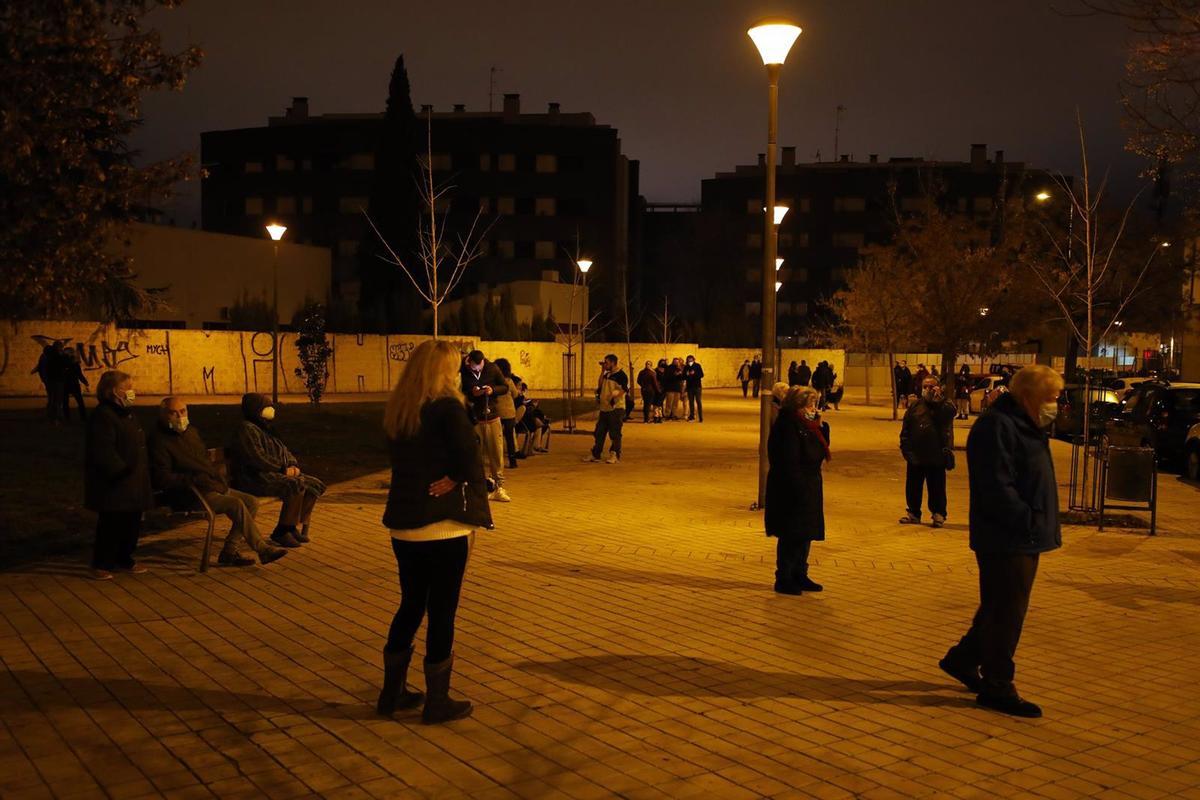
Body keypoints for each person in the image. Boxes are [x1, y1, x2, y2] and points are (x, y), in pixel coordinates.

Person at [939, 364, 1064, 719]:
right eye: (1050, 398)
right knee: (1006, 613)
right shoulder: (998, 426)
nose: (1056, 405)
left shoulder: (1027, 424)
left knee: (998, 607)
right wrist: (1027, 520)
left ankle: (962, 659)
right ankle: (997, 685)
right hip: (1007, 537)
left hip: (1023, 534)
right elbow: (997, 486)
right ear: (1028, 396)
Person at [379, 339, 492, 725]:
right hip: (441, 527)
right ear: (444, 370)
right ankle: (437, 700)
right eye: (455, 366)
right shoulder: (447, 408)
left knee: (410, 604)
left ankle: (390, 693)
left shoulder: (401, 409)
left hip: (404, 524)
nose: (460, 371)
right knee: (442, 610)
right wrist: (457, 477)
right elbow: (471, 456)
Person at [150, 398, 287, 567]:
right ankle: (262, 550)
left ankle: (229, 551)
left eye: (183, 411)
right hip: (189, 493)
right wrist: (194, 479)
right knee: (236, 504)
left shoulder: (191, 432)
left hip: (209, 486)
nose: (180, 416)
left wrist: (216, 479)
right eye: (173, 413)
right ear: (163, 415)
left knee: (251, 502)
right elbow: (162, 478)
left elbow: (204, 462)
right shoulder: (159, 441)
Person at [232, 393, 327, 547]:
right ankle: (282, 531)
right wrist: (283, 469)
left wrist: (292, 464)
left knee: (315, 485)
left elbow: (284, 450)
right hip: (255, 477)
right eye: (266, 407)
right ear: (255, 409)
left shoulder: (266, 428)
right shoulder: (247, 429)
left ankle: (291, 526)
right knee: (295, 484)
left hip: (272, 473)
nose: (271, 409)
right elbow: (258, 458)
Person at [85, 370, 153, 580]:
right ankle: (102, 563)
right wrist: (121, 471)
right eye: (128, 387)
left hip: (133, 479)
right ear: (115, 391)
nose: (132, 392)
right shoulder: (104, 415)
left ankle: (124, 558)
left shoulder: (127, 412)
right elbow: (103, 449)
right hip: (115, 482)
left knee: (131, 523)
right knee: (111, 523)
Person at [765, 386, 830, 595]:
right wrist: (797, 485)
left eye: (815, 403)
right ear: (798, 405)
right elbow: (789, 458)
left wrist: (821, 427)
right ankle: (784, 577)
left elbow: (819, 451)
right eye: (810, 403)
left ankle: (800, 573)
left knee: (806, 533)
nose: (813, 408)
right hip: (791, 487)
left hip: (809, 484)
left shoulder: (808, 424)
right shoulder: (787, 424)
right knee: (791, 533)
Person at [899, 377, 956, 528]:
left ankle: (938, 514)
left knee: (937, 487)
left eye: (931, 386)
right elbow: (905, 430)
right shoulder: (915, 406)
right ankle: (913, 513)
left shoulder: (944, 405)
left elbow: (951, 413)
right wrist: (907, 451)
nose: (928, 389)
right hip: (916, 456)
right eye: (925, 386)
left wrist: (940, 400)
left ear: (938, 388)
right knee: (913, 486)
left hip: (936, 455)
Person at [460, 350, 510, 502]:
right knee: (476, 455)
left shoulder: (492, 368)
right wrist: (472, 392)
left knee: (496, 453)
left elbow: (505, 387)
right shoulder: (464, 370)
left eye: (478, 367)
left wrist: (492, 390)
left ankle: (499, 486)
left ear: (482, 362)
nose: (475, 370)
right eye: (473, 368)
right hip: (476, 418)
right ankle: (478, 487)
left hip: (492, 416)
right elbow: (463, 390)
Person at [584, 354, 628, 464]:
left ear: (613, 363)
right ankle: (596, 454)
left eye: (607, 362)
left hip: (616, 409)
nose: (605, 364)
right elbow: (600, 385)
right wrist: (602, 371)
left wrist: (615, 396)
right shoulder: (607, 374)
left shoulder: (621, 375)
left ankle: (614, 454)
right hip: (604, 408)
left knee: (615, 433)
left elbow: (624, 389)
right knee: (599, 432)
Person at [493, 358, 520, 470]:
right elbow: (515, 394)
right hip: (509, 413)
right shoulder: (509, 382)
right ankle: (513, 461)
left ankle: (498, 461)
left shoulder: (493, 382)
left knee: (497, 438)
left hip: (497, 412)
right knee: (510, 438)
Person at [32, 341, 68, 423]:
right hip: (57, 380)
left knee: (52, 398)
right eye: (61, 347)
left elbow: (42, 368)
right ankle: (56, 417)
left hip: (51, 380)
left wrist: (45, 379)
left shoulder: (46, 356)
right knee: (57, 399)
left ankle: (51, 415)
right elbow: (65, 364)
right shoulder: (57, 356)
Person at [61, 349, 90, 421]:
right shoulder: (75, 364)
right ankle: (83, 417)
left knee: (65, 402)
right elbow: (79, 374)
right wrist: (85, 382)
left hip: (65, 385)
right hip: (74, 384)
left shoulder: (61, 363)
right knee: (80, 402)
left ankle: (67, 417)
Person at [684, 354, 704, 422]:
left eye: (691, 359)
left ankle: (701, 417)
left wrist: (694, 373)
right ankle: (692, 416)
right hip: (689, 387)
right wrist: (687, 375)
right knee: (691, 402)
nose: (689, 360)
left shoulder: (697, 366)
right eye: (688, 359)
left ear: (693, 359)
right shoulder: (686, 367)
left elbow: (701, 375)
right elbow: (683, 377)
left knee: (698, 401)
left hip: (697, 386)